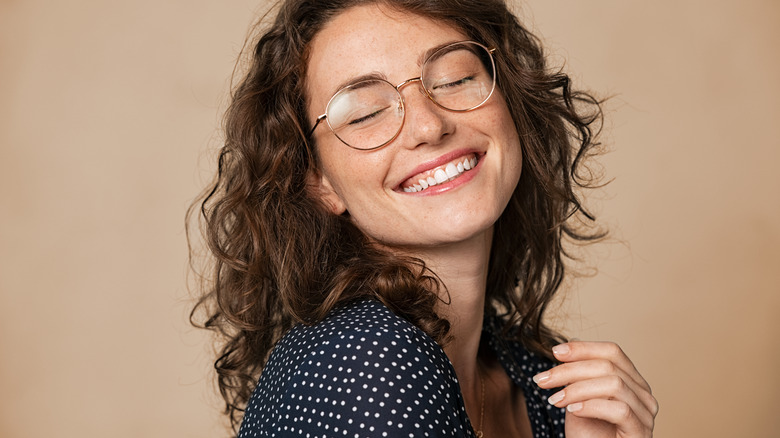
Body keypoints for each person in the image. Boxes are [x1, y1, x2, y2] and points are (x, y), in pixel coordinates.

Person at [189, 0, 658, 436]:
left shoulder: (531, 375)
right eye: (366, 113)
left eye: (454, 78)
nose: (430, 126)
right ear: (321, 183)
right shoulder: (361, 364)